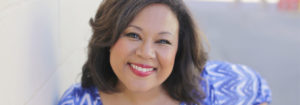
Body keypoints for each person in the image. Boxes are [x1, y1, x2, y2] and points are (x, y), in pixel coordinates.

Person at [58, 0, 272, 105]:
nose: (146, 52)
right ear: (108, 38)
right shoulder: (78, 102)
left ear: (179, 50)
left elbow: (258, 90)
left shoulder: (216, 86)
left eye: (163, 41)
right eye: (133, 35)